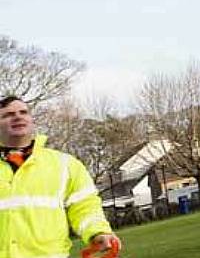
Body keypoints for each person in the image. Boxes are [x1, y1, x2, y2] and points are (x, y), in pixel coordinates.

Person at [0, 96, 121, 257]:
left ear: (31, 120)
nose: (18, 116)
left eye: (23, 112)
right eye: (8, 114)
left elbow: (85, 206)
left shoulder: (65, 164)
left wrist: (98, 232)